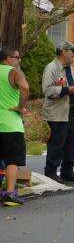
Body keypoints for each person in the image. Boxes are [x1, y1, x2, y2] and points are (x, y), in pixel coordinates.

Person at [42, 41, 74, 183]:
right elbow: (47, 90)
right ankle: (51, 172)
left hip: (70, 112)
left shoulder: (70, 69)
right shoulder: (51, 68)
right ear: (63, 52)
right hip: (56, 114)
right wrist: (66, 90)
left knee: (72, 144)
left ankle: (68, 171)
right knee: (57, 144)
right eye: (72, 51)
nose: (73, 55)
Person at [0, 46, 29, 206]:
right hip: (10, 124)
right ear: (7, 58)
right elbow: (25, 87)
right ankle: (10, 194)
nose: (19, 60)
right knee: (12, 161)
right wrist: (20, 106)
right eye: (17, 57)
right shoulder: (13, 72)